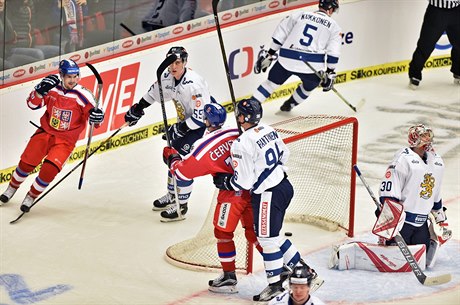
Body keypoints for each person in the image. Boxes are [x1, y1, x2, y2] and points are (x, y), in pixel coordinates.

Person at [212, 98, 323, 302]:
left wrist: (226, 181)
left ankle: (275, 286)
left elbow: (243, 182)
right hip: (284, 185)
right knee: (275, 236)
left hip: (268, 194)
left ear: (243, 117)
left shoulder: (241, 143)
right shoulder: (268, 129)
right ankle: (305, 270)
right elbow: (285, 154)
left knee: (267, 240)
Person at [162, 101, 263, 292]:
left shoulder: (203, 146)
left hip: (231, 196)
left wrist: (171, 158)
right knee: (255, 233)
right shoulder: (236, 132)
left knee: (223, 234)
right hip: (252, 189)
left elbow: (182, 173)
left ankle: (229, 277)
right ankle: (281, 269)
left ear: (206, 120)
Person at [0, 59, 104, 212]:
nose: (73, 80)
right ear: (61, 75)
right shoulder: (51, 88)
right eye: (69, 76)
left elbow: (96, 118)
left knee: (49, 170)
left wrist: (97, 117)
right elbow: (32, 105)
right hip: (44, 133)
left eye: (76, 76)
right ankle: (11, 189)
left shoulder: (84, 95)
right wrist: (39, 91)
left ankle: (31, 196)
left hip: (65, 141)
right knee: (26, 164)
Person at [124, 46, 210, 221]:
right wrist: (138, 108)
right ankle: (172, 196)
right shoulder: (166, 76)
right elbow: (153, 94)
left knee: (182, 161)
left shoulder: (193, 84)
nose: (173, 66)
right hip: (186, 122)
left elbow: (201, 118)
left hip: (204, 124)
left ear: (185, 62)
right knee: (171, 156)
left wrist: (178, 129)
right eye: (171, 62)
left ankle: (181, 207)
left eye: (177, 62)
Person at [252, 0, 341, 112]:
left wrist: (270, 53)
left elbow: (281, 34)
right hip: (311, 67)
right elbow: (333, 53)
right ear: (331, 9)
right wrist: (329, 71)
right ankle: (290, 104)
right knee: (309, 87)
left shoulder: (300, 14)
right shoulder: (334, 26)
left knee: (270, 84)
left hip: (287, 59)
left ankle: (251, 105)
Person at [378, 124, 446, 261]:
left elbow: (435, 192)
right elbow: (389, 192)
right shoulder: (403, 159)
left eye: (428, 135)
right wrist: (388, 221)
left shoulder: (437, 161)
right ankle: (385, 242)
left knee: (424, 260)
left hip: (422, 223)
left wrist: (440, 217)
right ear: (414, 140)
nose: (427, 139)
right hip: (402, 223)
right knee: (395, 259)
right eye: (423, 136)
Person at [408, 0, 460, 89]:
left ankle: (458, 71)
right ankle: (414, 74)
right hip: (436, 11)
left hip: (457, 10)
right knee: (426, 44)